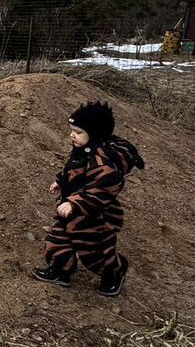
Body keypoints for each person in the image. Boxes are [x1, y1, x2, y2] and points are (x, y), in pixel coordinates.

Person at [34, 101, 145, 297]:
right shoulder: (84, 151)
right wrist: (61, 181)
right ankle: (60, 270)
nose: (72, 135)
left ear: (94, 134)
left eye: (77, 132)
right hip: (71, 215)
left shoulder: (104, 161)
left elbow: (104, 188)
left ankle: (114, 273)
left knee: (95, 253)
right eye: (72, 130)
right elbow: (74, 170)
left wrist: (76, 202)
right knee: (57, 241)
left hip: (95, 219)